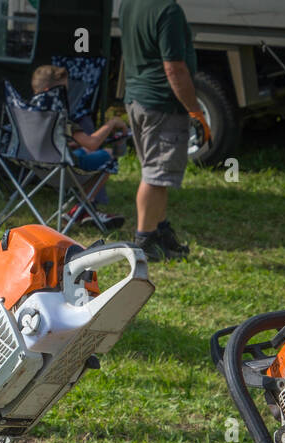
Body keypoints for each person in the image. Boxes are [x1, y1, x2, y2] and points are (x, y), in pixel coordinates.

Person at [120, 0, 211, 261]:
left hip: (137, 99)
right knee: (156, 175)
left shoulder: (129, 4)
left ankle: (159, 232)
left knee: (156, 174)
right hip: (161, 104)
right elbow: (174, 68)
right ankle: (145, 241)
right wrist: (195, 111)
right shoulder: (167, 10)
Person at [30, 64, 127, 230]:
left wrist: (69, 143)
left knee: (87, 151)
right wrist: (112, 123)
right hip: (60, 169)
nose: (65, 96)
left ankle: (82, 210)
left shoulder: (26, 111)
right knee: (109, 155)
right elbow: (92, 142)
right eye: (63, 91)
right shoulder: (59, 116)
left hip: (33, 165)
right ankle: (81, 208)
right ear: (50, 91)